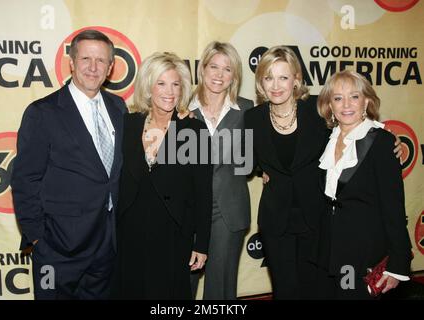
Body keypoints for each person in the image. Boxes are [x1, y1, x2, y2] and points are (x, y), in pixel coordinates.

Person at [11, 29, 127, 299]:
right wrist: (39, 239)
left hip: (107, 246)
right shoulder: (43, 112)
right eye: (86, 58)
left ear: (110, 68)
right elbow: (25, 179)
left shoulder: (118, 107)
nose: (93, 67)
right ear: (72, 62)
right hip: (57, 249)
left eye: (101, 61)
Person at [111, 52, 213, 299]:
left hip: (173, 234)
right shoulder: (129, 124)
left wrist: (202, 244)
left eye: (176, 84)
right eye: (162, 83)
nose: (170, 91)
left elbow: (203, 191)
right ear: (148, 86)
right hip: (131, 232)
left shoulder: (194, 129)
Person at [314, 70, 412, 299]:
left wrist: (398, 264)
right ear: (330, 105)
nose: (346, 104)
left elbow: (394, 208)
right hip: (329, 252)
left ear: (367, 101)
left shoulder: (381, 142)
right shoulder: (326, 139)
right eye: (338, 98)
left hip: (362, 256)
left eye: (354, 96)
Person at [244, 46, 329, 299]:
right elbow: (245, 161)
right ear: (261, 82)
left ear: (297, 80)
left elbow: (352, 126)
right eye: (268, 77)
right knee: (284, 290)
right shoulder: (253, 118)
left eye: (283, 77)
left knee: (314, 290)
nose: (276, 85)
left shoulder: (317, 109)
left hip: (315, 216)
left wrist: (385, 139)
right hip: (275, 220)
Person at [188, 41, 253, 300]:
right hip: (187, 210)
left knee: (221, 289)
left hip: (228, 210)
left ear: (234, 76)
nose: (219, 74)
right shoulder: (181, 107)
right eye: (213, 66)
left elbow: (266, 149)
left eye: (227, 69)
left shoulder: (248, 109)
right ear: (202, 69)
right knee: (181, 284)